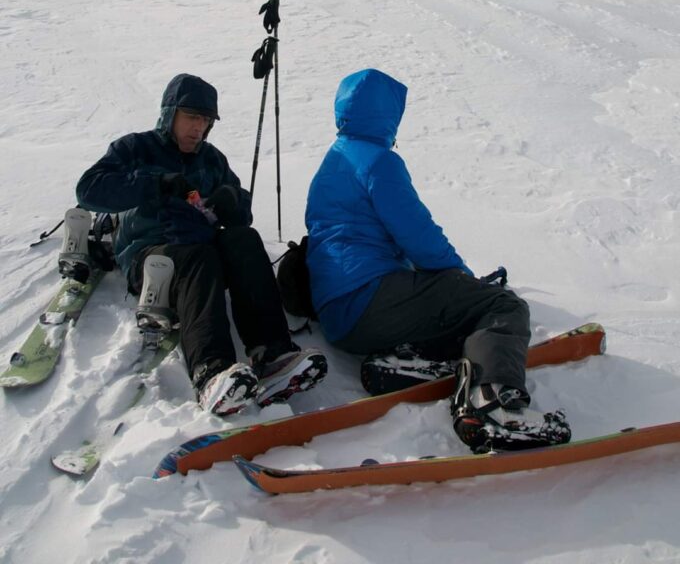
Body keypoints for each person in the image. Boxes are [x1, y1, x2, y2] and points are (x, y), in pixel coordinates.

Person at [304, 68, 570, 453]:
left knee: (456, 313)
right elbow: (419, 237)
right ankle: (494, 405)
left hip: (341, 316)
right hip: (372, 299)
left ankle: (403, 363)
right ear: (386, 113)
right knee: (502, 306)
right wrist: (464, 281)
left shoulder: (332, 162)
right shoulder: (379, 161)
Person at [76, 73, 327, 417]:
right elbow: (88, 190)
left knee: (243, 239)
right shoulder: (136, 148)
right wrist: (155, 184)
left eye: (205, 120)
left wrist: (232, 201)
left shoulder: (211, 159)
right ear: (170, 113)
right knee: (198, 256)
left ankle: (273, 356)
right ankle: (210, 372)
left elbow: (243, 216)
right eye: (192, 117)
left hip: (201, 251)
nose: (199, 127)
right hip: (153, 258)